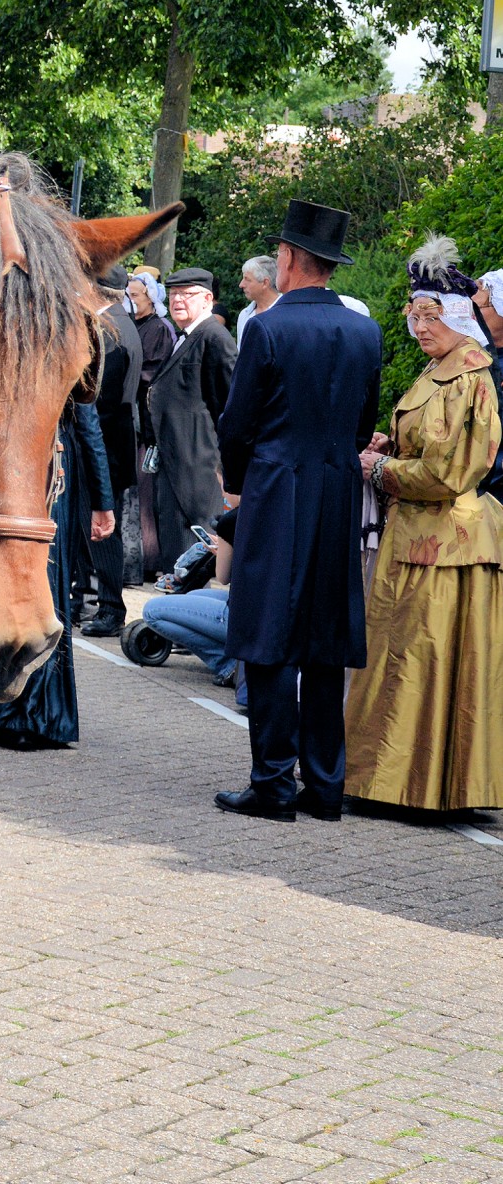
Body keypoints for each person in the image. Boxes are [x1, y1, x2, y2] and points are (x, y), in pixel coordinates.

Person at [215, 201, 382, 821]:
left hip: (276, 487)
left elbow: (237, 425)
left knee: (268, 638)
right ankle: (325, 787)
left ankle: (272, 785)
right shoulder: (367, 332)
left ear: (287, 259)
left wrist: (237, 486)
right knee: (323, 641)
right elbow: (363, 423)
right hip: (337, 490)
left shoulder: (268, 328)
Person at [345, 238, 503, 814]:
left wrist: (382, 467)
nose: (418, 325)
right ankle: (402, 783)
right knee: (409, 659)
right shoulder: (442, 368)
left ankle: (406, 787)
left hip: (443, 544)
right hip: (424, 538)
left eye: (431, 315)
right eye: (414, 314)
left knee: (419, 661)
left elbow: (450, 471)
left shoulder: (467, 377)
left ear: (458, 316)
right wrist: (392, 446)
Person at [0, 395, 113, 749]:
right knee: (22, 588)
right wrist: (103, 501)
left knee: (34, 588)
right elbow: (88, 425)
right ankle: (17, 713)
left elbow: (87, 423)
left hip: (33, 472)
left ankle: (31, 715)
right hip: (27, 469)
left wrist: (103, 500)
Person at [147, 268, 237, 574]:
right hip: (177, 466)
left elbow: (228, 408)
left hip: (198, 472)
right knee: (176, 559)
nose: (177, 300)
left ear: (208, 298)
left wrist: (224, 468)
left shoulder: (214, 336)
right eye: (173, 294)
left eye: (187, 294)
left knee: (189, 561)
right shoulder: (186, 335)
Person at [83, 267, 142, 636]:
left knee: (103, 530)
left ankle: (109, 607)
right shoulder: (120, 322)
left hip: (103, 444)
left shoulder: (108, 332)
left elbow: (96, 400)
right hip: (110, 442)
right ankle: (93, 601)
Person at [141, 507, 247, 704]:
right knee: (195, 595)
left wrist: (223, 550)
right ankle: (235, 662)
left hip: (243, 614)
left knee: (153, 611)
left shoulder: (233, 520)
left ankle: (228, 665)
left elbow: (223, 576)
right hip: (253, 608)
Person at [124, 268, 177, 579]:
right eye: (128, 296)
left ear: (150, 299)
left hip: (146, 423)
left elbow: (150, 374)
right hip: (135, 419)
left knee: (144, 495)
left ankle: (149, 560)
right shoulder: (137, 325)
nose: (131, 301)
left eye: (136, 296)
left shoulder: (156, 328)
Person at [235, 254, 279, 347]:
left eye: (247, 279)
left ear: (265, 283)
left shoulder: (285, 312)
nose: (241, 284)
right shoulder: (245, 314)